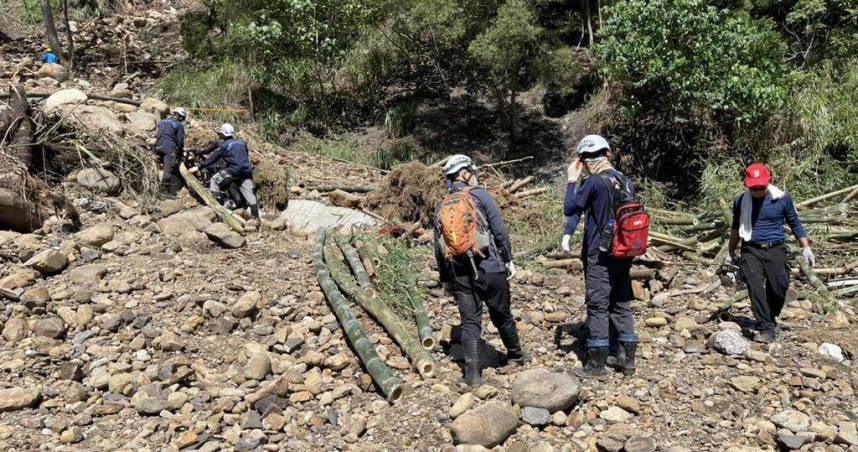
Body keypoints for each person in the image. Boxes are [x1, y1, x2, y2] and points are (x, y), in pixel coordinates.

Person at [433, 154, 527, 385]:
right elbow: (499, 231)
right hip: (490, 268)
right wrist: (508, 260)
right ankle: (515, 355)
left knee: (470, 321)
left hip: (459, 274)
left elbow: (438, 247)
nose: (475, 177)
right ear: (465, 173)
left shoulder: (441, 206)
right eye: (472, 172)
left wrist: (445, 279)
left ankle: (473, 375)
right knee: (501, 314)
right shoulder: (481, 196)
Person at [562, 135, 638, 378]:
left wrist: (572, 181)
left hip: (600, 253)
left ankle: (596, 364)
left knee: (597, 305)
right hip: (624, 252)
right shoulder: (625, 181)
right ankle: (626, 358)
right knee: (620, 303)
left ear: (585, 160)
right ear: (607, 155)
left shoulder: (594, 182)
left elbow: (571, 207)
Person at [727, 163, 813, 343]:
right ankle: (765, 327)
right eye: (754, 187)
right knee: (755, 286)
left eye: (761, 187)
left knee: (779, 286)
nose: (758, 191)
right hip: (751, 249)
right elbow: (736, 228)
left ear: (769, 181)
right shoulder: (741, 201)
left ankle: (770, 317)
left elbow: (795, 223)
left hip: (775, 248)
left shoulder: (782, 199)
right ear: (747, 184)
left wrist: (806, 247)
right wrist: (730, 252)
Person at [189, 123, 259, 219]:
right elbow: (245, 156)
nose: (219, 135)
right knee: (248, 192)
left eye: (220, 134)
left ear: (223, 134)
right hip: (247, 171)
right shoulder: (242, 142)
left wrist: (199, 167)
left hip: (234, 170)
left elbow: (213, 158)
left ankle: (218, 209)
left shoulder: (225, 145)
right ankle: (256, 218)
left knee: (214, 181)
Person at [154, 107, 187, 198]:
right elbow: (180, 142)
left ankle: (164, 189)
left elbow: (159, 134)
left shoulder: (163, 121)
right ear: (180, 117)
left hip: (158, 147)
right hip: (169, 148)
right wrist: (180, 155)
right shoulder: (179, 125)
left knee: (161, 168)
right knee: (168, 170)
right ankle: (164, 192)